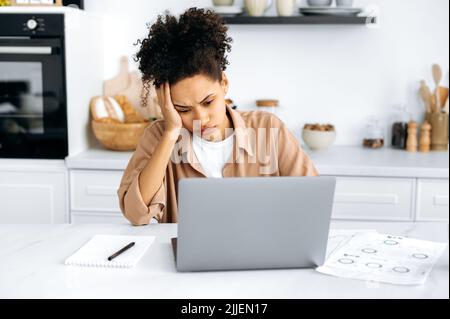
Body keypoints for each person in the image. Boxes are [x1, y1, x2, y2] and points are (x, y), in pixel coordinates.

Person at [118, 7, 318, 226]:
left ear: (224, 83)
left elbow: (312, 201)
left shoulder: (269, 128)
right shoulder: (158, 137)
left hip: (260, 257)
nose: (201, 118)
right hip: (189, 258)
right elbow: (135, 214)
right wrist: (170, 133)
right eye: (183, 109)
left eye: (208, 102)